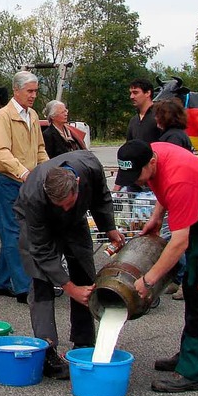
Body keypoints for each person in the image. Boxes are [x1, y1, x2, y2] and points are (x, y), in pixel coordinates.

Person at [115, 140, 198, 393]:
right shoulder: (151, 153)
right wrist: (156, 216)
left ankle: (192, 372)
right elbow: (162, 188)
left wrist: (148, 280)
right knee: (193, 287)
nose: (135, 180)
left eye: (136, 174)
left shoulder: (179, 180)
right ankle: (188, 353)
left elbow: (178, 242)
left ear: (152, 162)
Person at [15, 150, 126, 379]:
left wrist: (110, 228)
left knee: (85, 274)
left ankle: (84, 343)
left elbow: (101, 197)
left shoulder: (90, 165)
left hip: (76, 222)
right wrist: (68, 288)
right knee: (42, 279)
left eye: (67, 202)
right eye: (59, 204)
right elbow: (42, 252)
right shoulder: (33, 196)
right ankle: (47, 350)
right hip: (38, 225)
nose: (63, 207)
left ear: (77, 183)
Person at [0, 71, 49, 304]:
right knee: (13, 233)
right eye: (30, 91)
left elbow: (40, 149)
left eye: (35, 91)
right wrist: (23, 171)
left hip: (26, 181)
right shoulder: (3, 116)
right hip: (7, 180)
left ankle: (0, 283)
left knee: (15, 232)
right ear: (16, 90)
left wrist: (47, 171)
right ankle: (24, 287)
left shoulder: (32, 115)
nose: (33, 95)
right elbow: (1, 152)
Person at [153, 98, 193, 299]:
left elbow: (170, 172)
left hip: (177, 195)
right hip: (178, 194)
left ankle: (185, 280)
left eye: (157, 115)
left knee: (175, 237)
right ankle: (178, 279)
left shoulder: (172, 139)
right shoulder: (178, 135)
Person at [126, 78, 160, 144]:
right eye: (131, 93)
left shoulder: (160, 116)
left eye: (135, 93)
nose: (131, 96)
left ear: (147, 93)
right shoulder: (134, 120)